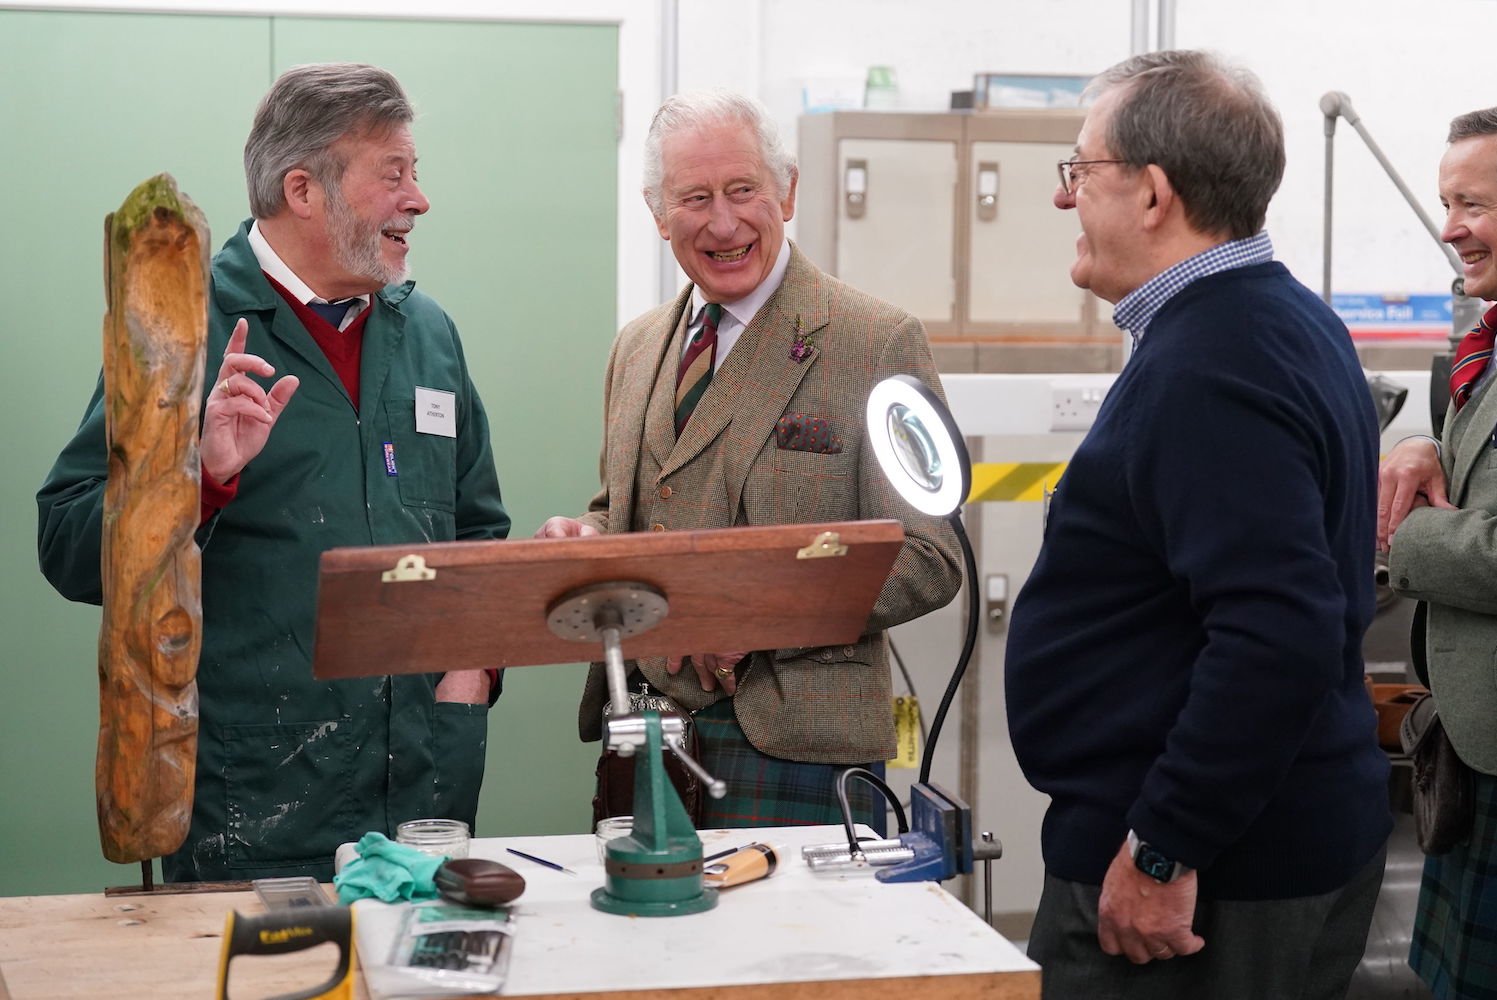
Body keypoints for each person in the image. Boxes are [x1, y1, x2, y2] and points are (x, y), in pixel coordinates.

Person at [36, 63, 510, 882]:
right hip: (250, 807)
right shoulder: (186, 326)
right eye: (393, 174)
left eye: (416, 173)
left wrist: (474, 673)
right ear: (303, 189)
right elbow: (69, 546)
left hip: (429, 797)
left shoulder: (427, 332)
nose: (419, 199)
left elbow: (478, 530)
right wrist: (198, 478)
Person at [1004, 50, 1390, 999]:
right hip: (1262, 842)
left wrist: (1167, 845)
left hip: (1207, 886)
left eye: (1081, 171)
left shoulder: (1211, 366)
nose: (1065, 200)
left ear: (1152, 194)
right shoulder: (1284, 321)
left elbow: (1277, 633)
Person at [536, 90, 961, 831]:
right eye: (694, 198)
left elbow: (930, 556)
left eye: (742, 191)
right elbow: (626, 511)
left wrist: (761, 619)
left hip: (798, 750)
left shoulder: (875, 342)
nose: (723, 223)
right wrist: (588, 542)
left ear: (787, 191)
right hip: (644, 736)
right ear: (657, 212)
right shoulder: (637, 349)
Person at [1379, 106, 1497, 999]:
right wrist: (1427, 444)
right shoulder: (1486, 343)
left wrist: (1389, 532)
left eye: (1474, 205)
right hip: (1475, 734)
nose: (1450, 228)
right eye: (1446, 203)